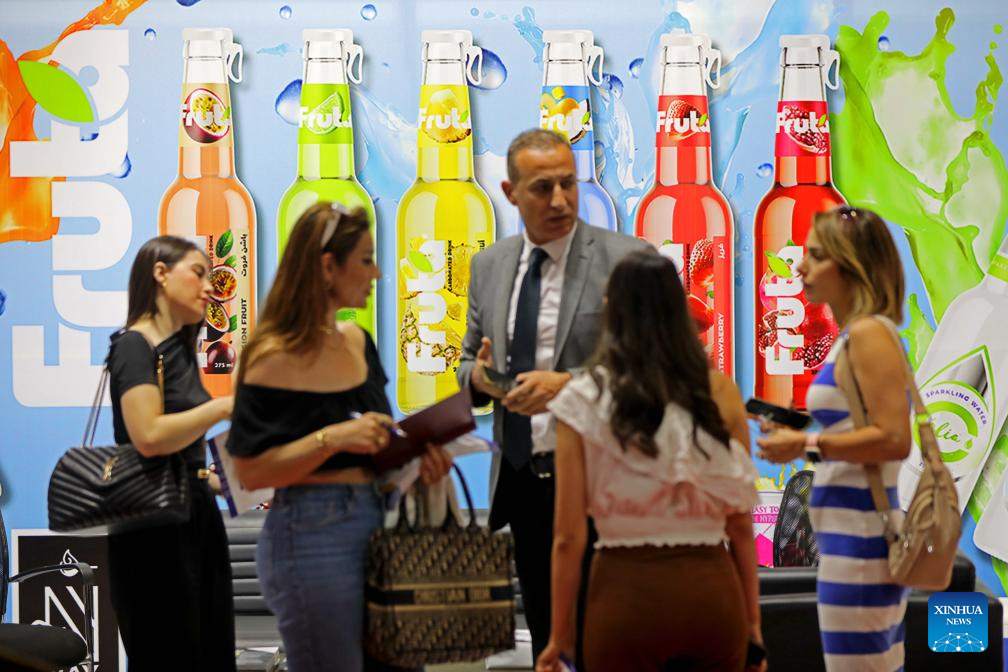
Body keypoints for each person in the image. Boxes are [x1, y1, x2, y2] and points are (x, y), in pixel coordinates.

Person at [227, 202, 452, 672]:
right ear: (328, 267)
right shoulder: (270, 356)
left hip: (380, 523)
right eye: (366, 260)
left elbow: (379, 441)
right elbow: (250, 472)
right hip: (311, 534)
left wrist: (419, 461)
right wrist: (332, 438)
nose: (377, 273)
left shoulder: (358, 341)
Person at [457, 128, 650, 664]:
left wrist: (567, 386)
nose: (561, 200)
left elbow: (655, 371)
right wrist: (479, 379)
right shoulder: (489, 266)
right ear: (510, 191)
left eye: (568, 183)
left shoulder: (627, 260)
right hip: (522, 481)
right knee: (549, 642)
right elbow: (468, 359)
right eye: (543, 188)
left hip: (603, 481)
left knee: (609, 643)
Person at [534, 250, 764, 672]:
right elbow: (741, 527)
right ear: (679, 313)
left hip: (623, 599)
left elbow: (568, 537)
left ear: (611, 312)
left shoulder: (581, 399)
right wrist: (753, 627)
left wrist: (560, 638)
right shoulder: (719, 392)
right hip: (713, 598)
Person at [757, 205, 911, 672]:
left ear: (853, 266)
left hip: (862, 541)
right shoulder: (854, 336)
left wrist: (805, 446)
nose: (800, 267)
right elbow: (860, 430)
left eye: (817, 256)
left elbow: (893, 439)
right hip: (847, 539)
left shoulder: (869, 335)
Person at [106, 235, 236, 671]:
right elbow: (148, 436)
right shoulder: (133, 347)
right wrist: (223, 407)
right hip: (152, 533)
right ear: (160, 274)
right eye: (198, 273)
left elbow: (182, 460)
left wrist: (234, 482)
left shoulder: (179, 350)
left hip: (196, 519)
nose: (209, 287)